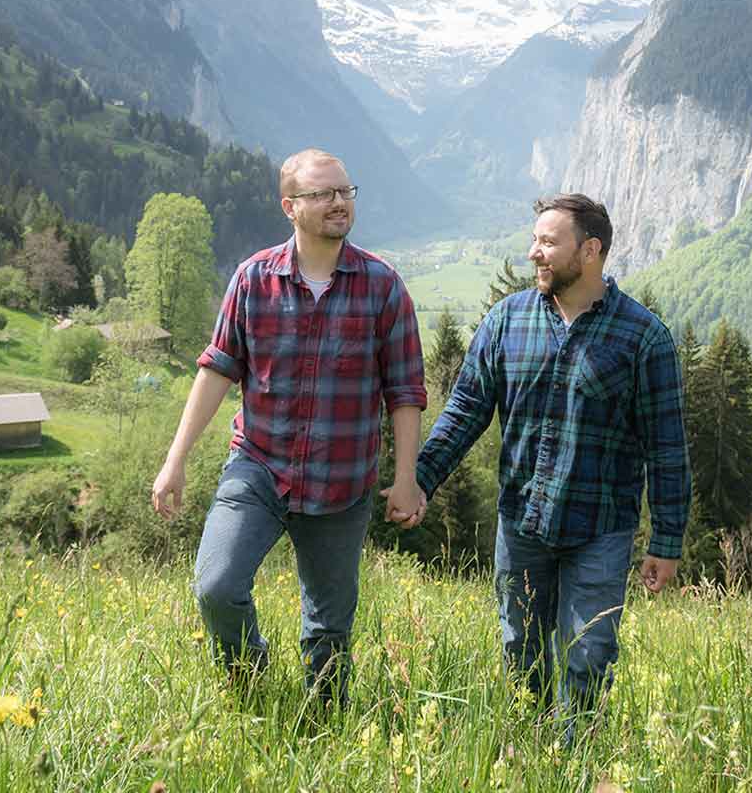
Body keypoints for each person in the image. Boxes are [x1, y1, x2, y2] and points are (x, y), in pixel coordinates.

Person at [151, 148, 427, 706]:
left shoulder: (383, 286)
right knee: (217, 586)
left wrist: (406, 477)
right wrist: (174, 459)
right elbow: (216, 370)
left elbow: (405, 393)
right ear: (290, 207)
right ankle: (249, 684)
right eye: (322, 194)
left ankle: (324, 730)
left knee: (328, 631)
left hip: (342, 482)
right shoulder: (253, 279)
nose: (338, 203)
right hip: (258, 466)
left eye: (345, 191)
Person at [406, 193, 689, 735]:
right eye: (534, 240)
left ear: (590, 251)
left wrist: (667, 541)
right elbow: (466, 410)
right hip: (522, 525)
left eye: (547, 242)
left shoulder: (643, 337)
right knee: (520, 654)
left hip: (601, 531)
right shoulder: (506, 321)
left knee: (588, 659)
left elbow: (667, 447)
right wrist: (419, 480)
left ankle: (574, 766)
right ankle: (528, 756)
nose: (534, 253)